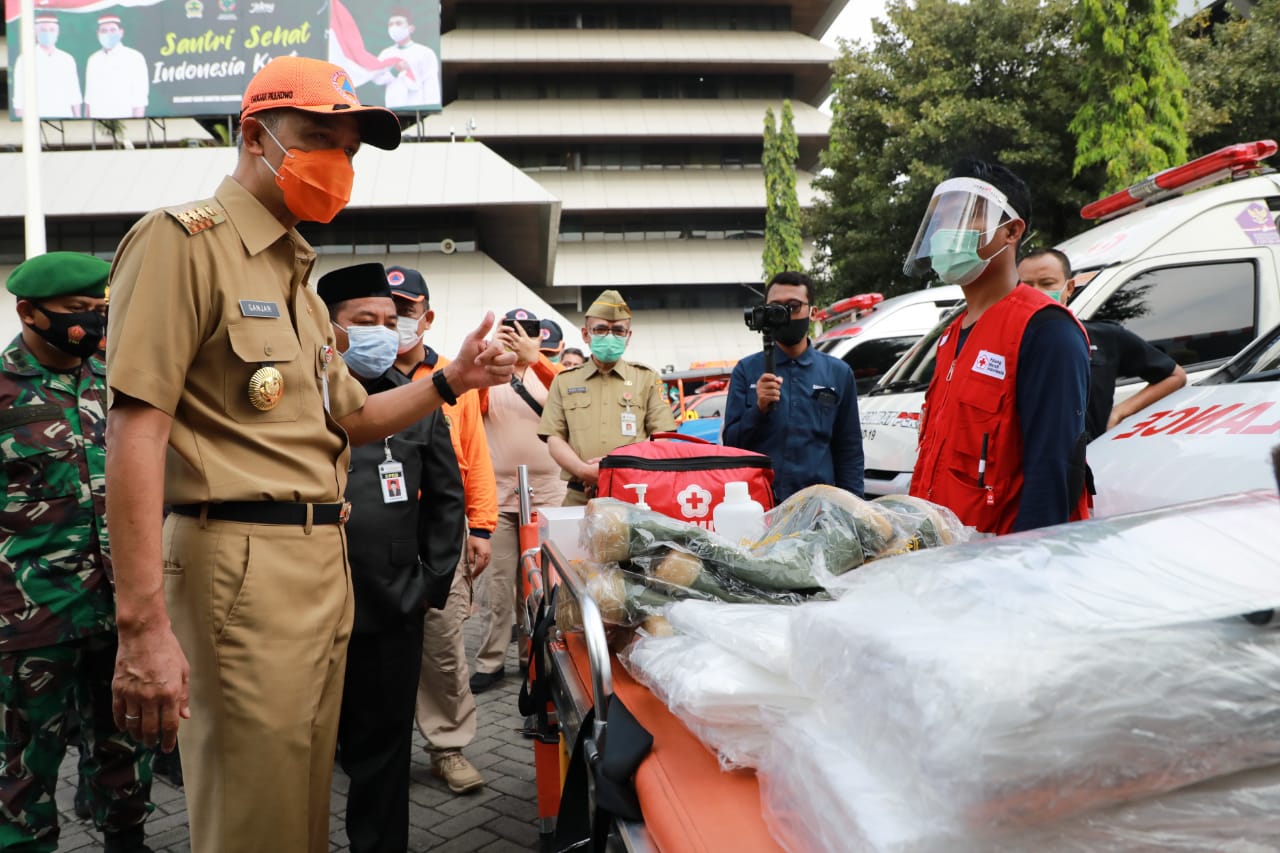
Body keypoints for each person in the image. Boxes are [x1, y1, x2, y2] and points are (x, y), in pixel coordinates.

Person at [103, 56, 515, 853]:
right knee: (254, 815)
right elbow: (136, 432)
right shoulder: (183, 244)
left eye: (350, 148)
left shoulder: (295, 275)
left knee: (299, 805)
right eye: (318, 137)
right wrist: (141, 624)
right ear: (255, 137)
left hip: (323, 561)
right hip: (239, 560)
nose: (338, 162)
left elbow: (350, 420)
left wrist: (452, 379)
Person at [0, 253, 154, 853]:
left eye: (101, 311)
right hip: (29, 616)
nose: (92, 324)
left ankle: (128, 839)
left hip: (121, 609)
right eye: (77, 313)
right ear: (29, 313)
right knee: (23, 765)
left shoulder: (120, 378)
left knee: (126, 747)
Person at [317, 263, 466, 853]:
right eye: (365, 321)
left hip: (390, 603)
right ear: (329, 328)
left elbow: (446, 499)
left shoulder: (415, 401)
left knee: (383, 758)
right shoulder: (299, 397)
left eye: (390, 319)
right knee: (305, 751)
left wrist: (428, 585)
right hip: (306, 603)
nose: (384, 331)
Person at [904, 159, 1090, 534]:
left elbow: (1053, 475)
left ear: (1011, 231)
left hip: (998, 569)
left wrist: (1016, 572)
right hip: (942, 559)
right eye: (942, 220)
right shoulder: (951, 334)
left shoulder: (1046, 330)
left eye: (966, 215)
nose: (947, 231)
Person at [385, 265, 498, 794]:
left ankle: (448, 746)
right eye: (387, 308)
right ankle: (367, 743)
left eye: (407, 310)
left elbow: (473, 456)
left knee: (443, 640)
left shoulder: (456, 377)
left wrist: (482, 527)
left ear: (426, 318)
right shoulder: (351, 375)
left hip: (438, 529)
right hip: (371, 528)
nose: (396, 319)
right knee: (365, 640)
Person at [470, 309, 567, 693]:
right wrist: (491, 356)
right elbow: (471, 408)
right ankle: (492, 660)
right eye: (510, 331)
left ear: (540, 337)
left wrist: (535, 359)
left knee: (544, 582)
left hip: (550, 493)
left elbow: (570, 400)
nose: (518, 337)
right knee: (498, 585)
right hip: (500, 494)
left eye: (527, 332)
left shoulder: (553, 376)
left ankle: (538, 658)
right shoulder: (488, 378)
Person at [722, 271, 865, 501]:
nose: (785, 315)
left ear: (813, 312)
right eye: (776, 308)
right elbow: (731, 446)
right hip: (759, 506)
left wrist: (852, 510)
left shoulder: (838, 373)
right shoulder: (746, 371)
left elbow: (849, 451)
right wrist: (758, 409)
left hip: (818, 509)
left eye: (794, 306)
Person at [1018, 248, 1187, 441]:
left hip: (1090, 457)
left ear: (1069, 287)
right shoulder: (1005, 339)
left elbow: (1174, 376)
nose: (1037, 292)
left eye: (1047, 284)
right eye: (1028, 286)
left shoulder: (1104, 337)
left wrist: (1119, 412)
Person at [538, 289, 676, 506]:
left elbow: (662, 437)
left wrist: (618, 468)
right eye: (601, 329)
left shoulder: (646, 378)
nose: (610, 336)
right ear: (586, 334)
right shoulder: (564, 381)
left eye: (618, 331)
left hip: (634, 495)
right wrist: (584, 471)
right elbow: (554, 438)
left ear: (628, 337)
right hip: (580, 496)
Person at [12, 14, 82, 118]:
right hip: (35, 120)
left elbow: (75, 96)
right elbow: (18, 99)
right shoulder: (24, 59)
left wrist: (78, 120)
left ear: (57, 32)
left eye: (51, 30)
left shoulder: (67, 59)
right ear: (36, 32)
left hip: (65, 116)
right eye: (43, 30)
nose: (47, 33)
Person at [84, 14, 150, 119]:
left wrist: (137, 125)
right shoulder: (93, 60)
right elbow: (89, 98)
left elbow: (140, 98)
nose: (108, 34)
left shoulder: (134, 57)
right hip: (98, 121)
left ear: (121, 32)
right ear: (98, 34)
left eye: (112, 30)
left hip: (125, 121)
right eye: (104, 31)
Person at [374, 9, 441, 109]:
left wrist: (431, 108)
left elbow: (431, 84)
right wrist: (395, 71)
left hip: (417, 106)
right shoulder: (386, 53)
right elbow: (377, 78)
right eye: (391, 24)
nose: (394, 27)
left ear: (411, 28)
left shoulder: (425, 52)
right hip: (393, 106)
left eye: (398, 23)